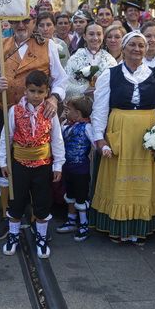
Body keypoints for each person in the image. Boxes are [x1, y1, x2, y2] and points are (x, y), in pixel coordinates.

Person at [0, 14, 69, 239]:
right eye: (16, 21)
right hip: (7, 111)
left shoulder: (48, 46)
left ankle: (34, 217)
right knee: (4, 167)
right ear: (9, 23)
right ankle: (7, 216)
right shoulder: (1, 44)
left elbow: (61, 79)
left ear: (32, 23)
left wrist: (53, 99)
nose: (21, 26)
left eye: (26, 22)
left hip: (40, 114)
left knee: (37, 168)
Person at [91, 32, 155, 244]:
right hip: (120, 132)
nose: (137, 49)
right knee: (119, 179)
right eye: (132, 45)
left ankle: (140, 227)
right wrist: (99, 138)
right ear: (124, 48)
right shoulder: (109, 75)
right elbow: (99, 109)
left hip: (148, 135)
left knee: (143, 183)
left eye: (141, 46)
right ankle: (118, 227)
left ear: (146, 50)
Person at [0, 70, 64, 259]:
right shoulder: (14, 111)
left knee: (42, 202)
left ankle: (41, 238)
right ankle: (13, 235)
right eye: (32, 91)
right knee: (16, 201)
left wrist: (58, 164)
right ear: (25, 91)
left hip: (43, 165)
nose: (36, 96)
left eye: (40, 92)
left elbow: (56, 139)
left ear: (47, 92)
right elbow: (6, 137)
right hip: (19, 164)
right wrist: (3, 161)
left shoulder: (50, 112)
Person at [54, 95, 94, 241]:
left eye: (68, 109)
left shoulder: (87, 127)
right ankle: (71, 220)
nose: (66, 112)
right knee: (69, 194)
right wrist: (60, 118)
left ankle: (83, 224)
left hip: (80, 169)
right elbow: (56, 133)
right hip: (67, 167)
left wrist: (104, 148)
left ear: (78, 113)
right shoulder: (65, 124)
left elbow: (95, 142)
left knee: (81, 196)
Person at [65, 22, 116, 98]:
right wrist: (84, 89)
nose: (95, 38)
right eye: (91, 34)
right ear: (84, 36)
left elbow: (115, 85)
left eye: (99, 34)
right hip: (78, 104)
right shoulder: (75, 58)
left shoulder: (110, 60)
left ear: (103, 36)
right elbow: (65, 85)